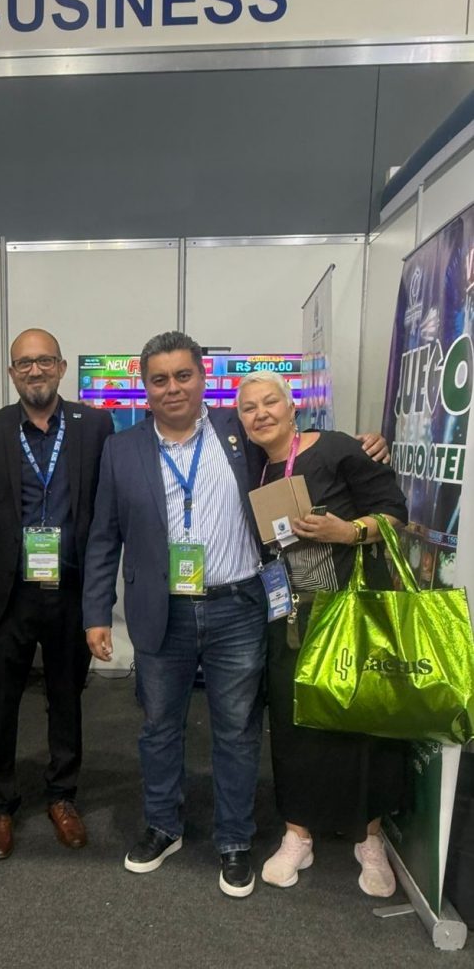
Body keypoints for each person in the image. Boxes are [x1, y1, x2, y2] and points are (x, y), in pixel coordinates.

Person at [82, 330, 388, 898]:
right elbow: (104, 535)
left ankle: (234, 838)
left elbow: (303, 445)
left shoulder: (239, 431)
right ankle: (163, 826)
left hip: (240, 607)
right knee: (158, 727)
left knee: (237, 729)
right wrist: (96, 611)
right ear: (144, 387)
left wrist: (366, 444)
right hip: (161, 610)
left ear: (203, 379)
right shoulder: (121, 450)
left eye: (183, 375)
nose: (172, 388)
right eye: (159, 379)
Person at [236, 370, 408, 898]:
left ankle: (368, 837)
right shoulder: (252, 467)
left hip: (352, 613)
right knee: (293, 725)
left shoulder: (337, 449)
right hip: (288, 617)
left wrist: (347, 531)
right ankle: (298, 834)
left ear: (293, 408)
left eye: (270, 402)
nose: (260, 413)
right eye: (248, 408)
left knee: (362, 720)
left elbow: (396, 516)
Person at [0, 328, 113, 859]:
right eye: (24, 363)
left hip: (71, 588)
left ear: (61, 367)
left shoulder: (94, 426)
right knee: (1, 701)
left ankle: (62, 795)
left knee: (66, 696)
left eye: (45, 361)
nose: (35, 370)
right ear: (12, 372)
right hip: (8, 591)